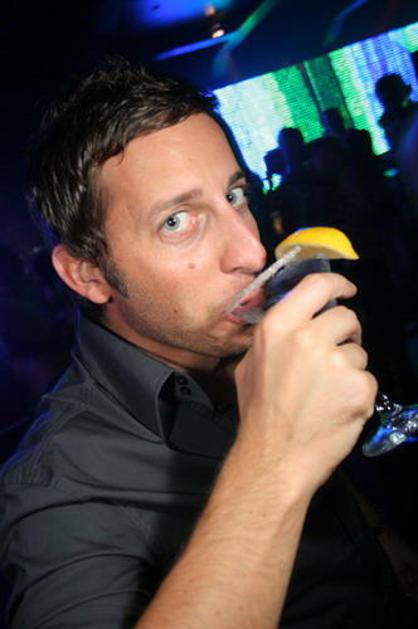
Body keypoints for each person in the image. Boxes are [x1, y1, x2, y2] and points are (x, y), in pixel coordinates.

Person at [0, 58, 413, 629]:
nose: (250, 251)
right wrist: (275, 457)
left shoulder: (229, 337)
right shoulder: (55, 490)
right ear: (88, 274)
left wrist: (384, 540)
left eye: (235, 195)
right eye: (177, 221)